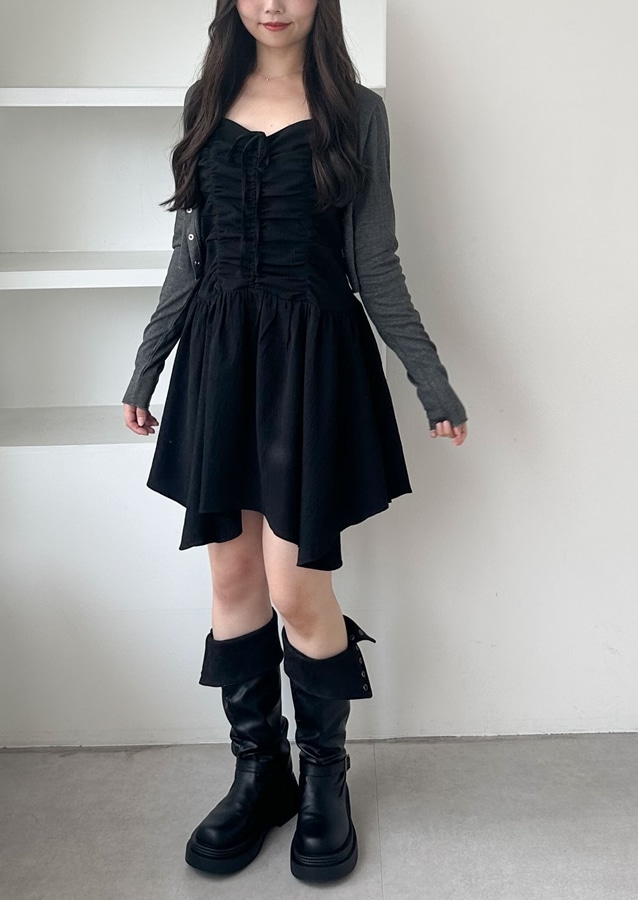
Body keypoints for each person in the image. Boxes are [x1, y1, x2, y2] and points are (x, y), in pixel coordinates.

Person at [122, 0, 468, 883]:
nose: (273, 3)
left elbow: (375, 261)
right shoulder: (205, 99)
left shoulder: (359, 111)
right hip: (218, 362)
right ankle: (259, 773)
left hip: (310, 364)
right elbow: (188, 257)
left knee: (295, 585)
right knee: (231, 578)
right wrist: (145, 368)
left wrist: (430, 381)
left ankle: (325, 778)